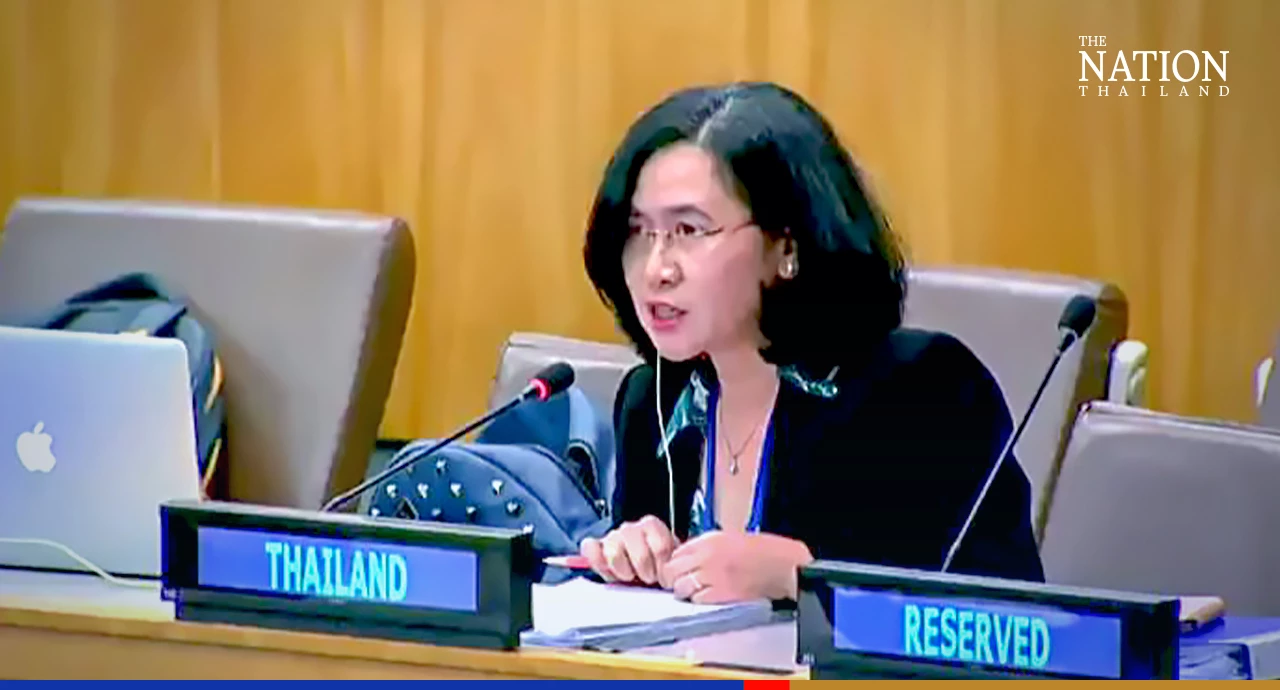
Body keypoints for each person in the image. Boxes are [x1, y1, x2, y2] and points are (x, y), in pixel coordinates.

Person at [578, 82, 1044, 604]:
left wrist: (802, 575)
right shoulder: (654, 400)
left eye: (688, 230)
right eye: (638, 233)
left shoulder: (923, 390)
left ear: (786, 247)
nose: (655, 269)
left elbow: (1010, 617)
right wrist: (632, 558)